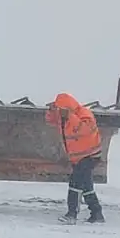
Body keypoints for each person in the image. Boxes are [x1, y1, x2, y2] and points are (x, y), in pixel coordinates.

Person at [45, 92, 105, 224]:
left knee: (75, 184)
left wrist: (69, 116)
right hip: (78, 157)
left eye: (61, 109)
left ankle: (72, 214)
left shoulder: (84, 115)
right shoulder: (63, 118)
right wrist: (52, 111)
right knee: (86, 186)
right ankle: (97, 213)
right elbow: (50, 120)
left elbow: (82, 130)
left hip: (90, 156)